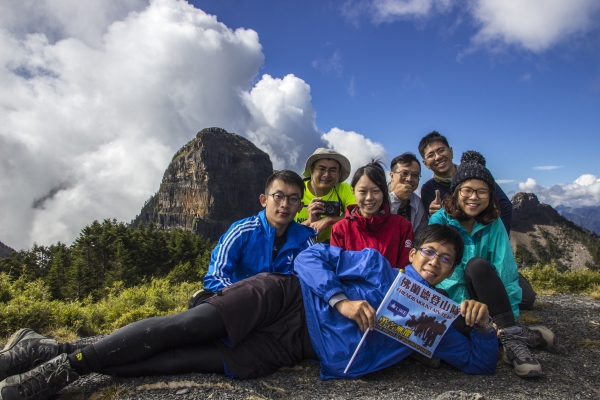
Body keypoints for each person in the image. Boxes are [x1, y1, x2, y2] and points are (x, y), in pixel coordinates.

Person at [0, 225, 501, 400]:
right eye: (429, 253)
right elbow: (310, 256)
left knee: (190, 359)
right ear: (413, 251)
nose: (434, 264)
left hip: (294, 346)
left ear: (451, 272)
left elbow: (479, 363)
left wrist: (479, 322)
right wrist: (339, 299)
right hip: (284, 296)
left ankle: (45, 347)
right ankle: (66, 365)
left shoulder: (436, 318)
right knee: (190, 324)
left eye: (446, 262)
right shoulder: (373, 264)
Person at [429, 151, 555, 378]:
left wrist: (508, 316)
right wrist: (468, 309)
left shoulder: (493, 223)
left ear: (490, 194)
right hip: (456, 302)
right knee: (445, 317)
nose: (473, 197)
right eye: (467, 190)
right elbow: (439, 271)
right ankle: (518, 335)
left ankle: (510, 334)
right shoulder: (440, 221)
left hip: (486, 297)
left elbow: (505, 272)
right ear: (456, 192)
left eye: (482, 191)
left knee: (478, 266)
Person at [203, 170, 316, 293]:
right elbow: (215, 277)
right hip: (241, 304)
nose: (285, 204)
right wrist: (249, 301)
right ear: (264, 200)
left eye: (293, 199)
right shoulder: (241, 232)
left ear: (300, 206)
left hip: (283, 309)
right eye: (278, 196)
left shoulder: (305, 241)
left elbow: (312, 281)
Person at [418, 131, 513, 234]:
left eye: (441, 150)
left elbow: (504, 204)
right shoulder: (429, 188)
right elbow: (438, 222)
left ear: (451, 151)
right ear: (425, 163)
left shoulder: (475, 174)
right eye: (431, 155)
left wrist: (499, 237)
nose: (438, 157)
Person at [330, 160, 413, 269]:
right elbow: (336, 268)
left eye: (375, 191)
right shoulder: (340, 229)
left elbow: (406, 269)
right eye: (363, 191)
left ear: (383, 192)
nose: (369, 197)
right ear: (353, 191)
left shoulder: (403, 226)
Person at [295, 148, 357, 243]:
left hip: (334, 248)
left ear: (339, 173)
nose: (326, 175)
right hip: (299, 247)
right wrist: (309, 221)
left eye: (333, 170)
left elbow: (360, 217)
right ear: (312, 170)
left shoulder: (344, 188)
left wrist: (330, 220)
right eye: (321, 169)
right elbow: (284, 230)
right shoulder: (297, 190)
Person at [388, 152, 429, 236]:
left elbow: (420, 239)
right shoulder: (377, 197)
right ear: (392, 176)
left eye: (415, 175)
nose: (409, 179)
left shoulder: (420, 205)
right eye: (404, 173)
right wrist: (395, 197)